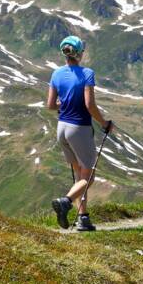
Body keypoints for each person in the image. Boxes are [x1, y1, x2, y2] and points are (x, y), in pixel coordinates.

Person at [48, 36, 113, 231]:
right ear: (79, 53)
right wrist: (104, 123)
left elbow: (51, 105)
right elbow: (89, 105)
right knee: (89, 175)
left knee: (79, 175)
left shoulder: (56, 74)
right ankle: (65, 201)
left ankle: (83, 217)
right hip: (80, 128)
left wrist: (65, 104)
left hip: (62, 128)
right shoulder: (87, 73)